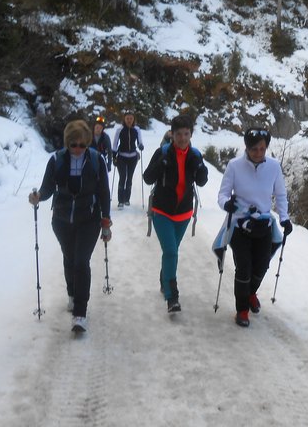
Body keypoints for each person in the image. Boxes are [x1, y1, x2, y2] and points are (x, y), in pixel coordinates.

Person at [28, 119, 112, 333]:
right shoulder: (56, 160)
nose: (78, 149)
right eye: (73, 144)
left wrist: (106, 219)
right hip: (62, 220)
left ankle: (80, 312)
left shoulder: (96, 160)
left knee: (81, 261)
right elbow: (48, 188)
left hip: (89, 219)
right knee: (70, 258)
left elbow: (103, 192)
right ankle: (72, 294)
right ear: (67, 143)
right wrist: (38, 196)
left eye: (82, 144)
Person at [214, 127, 293, 327]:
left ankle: (250, 293)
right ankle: (242, 310)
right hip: (239, 224)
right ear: (247, 148)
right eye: (254, 149)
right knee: (244, 267)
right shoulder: (234, 166)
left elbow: (281, 195)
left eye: (262, 149)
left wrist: (284, 218)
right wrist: (226, 204)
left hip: (264, 223)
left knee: (262, 265)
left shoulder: (274, 167)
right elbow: (223, 194)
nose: (258, 153)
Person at [143, 115, 208, 312]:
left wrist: (200, 167)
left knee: (171, 251)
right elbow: (148, 178)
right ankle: (172, 297)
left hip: (184, 213)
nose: (182, 138)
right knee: (171, 251)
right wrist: (161, 164)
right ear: (172, 134)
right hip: (162, 211)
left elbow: (202, 181)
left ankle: (165, 279)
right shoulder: (162, 152)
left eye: (186, 134)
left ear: (191, 134)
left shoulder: (195, 155)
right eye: (178, 134)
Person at [112, 110, 144, 208]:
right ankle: (120, 200)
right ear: (124, 119)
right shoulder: (120, 129)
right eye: (127, 118)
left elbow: (139, 141)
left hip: (133, 157)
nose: (129, 120)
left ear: (133, 119)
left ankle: (127, 199)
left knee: (129, 178)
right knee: (122, 177)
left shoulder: (137, 129)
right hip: (121, 156)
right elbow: (115, 143)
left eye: (131, 118)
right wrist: (114, 156)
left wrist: (141, 145)